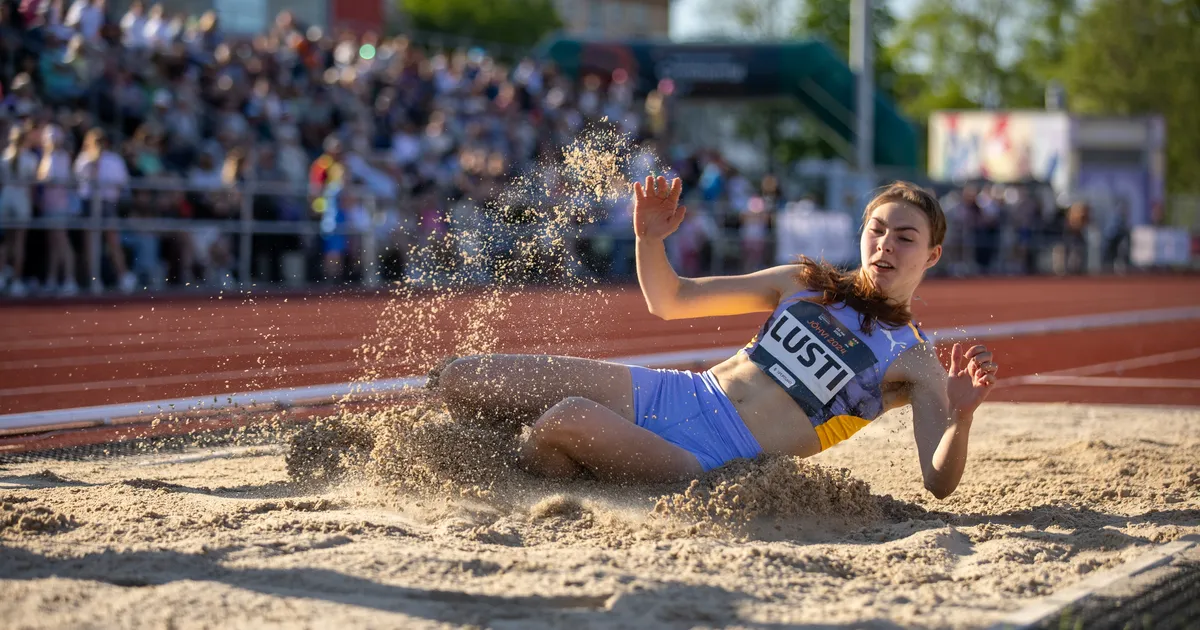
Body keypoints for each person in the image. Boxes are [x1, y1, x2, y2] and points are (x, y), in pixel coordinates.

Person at [434, 178, 1000, 498]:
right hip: (674, 394)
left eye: (905, 238)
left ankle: (542, 472)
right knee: (461, 377)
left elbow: (938, 482)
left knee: (564, 419)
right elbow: (672, 299)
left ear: (931, 256)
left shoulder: (915, 359)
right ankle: (562, 460)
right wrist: (649, 240)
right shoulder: (805, 284)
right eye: (876, 230)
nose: (885, 246)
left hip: (713, 457)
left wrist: (962, 417)